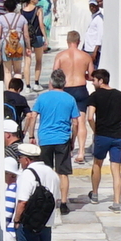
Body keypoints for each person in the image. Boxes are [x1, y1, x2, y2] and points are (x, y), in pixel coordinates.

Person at [0, 129, 60, 241]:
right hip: (46, 222)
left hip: (29, 224)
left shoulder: (28, 174)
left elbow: (23, 202)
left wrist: (17, 221)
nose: (19, 161)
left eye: (20, 158)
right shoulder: (52, 172)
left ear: (26, 159)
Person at [29, 67, 80, 197]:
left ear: (51, 82)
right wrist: (72, 140)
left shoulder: (42, 98)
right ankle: (63, 201)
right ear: (64, 83)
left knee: (46, 170)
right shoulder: (70, 99)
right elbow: (75, 123)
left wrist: (31, 135)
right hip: (62, 139)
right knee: (63, 173)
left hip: (45, 138)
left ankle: (48, 198)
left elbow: (33, 116)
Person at [86, 70, 121, 208]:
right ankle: (116, 202)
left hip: (102, 135)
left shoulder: (94, 96)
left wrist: (95, 130)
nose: (93, 83)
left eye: (94, 80)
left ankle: (94, 194)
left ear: (100, 81)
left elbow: (89, 117)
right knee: (116, 170)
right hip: (117, 136)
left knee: (97, 164)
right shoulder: (119, 95)